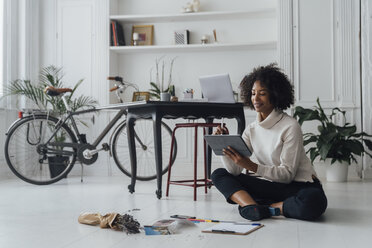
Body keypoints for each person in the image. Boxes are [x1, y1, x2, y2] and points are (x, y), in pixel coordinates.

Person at [211, 64, 327, 221]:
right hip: (271, 186)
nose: (255, 99)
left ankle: (266, 208)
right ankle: (251, 206)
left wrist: (250, 166)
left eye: (262, 93)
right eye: (253, 93)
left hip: (299, 186)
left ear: (275, 95)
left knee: (314, 202)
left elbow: (287, 175)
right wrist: (224, 145)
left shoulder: (290, 126)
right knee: (219, 174)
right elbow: (235, 171)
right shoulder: (251, 129)